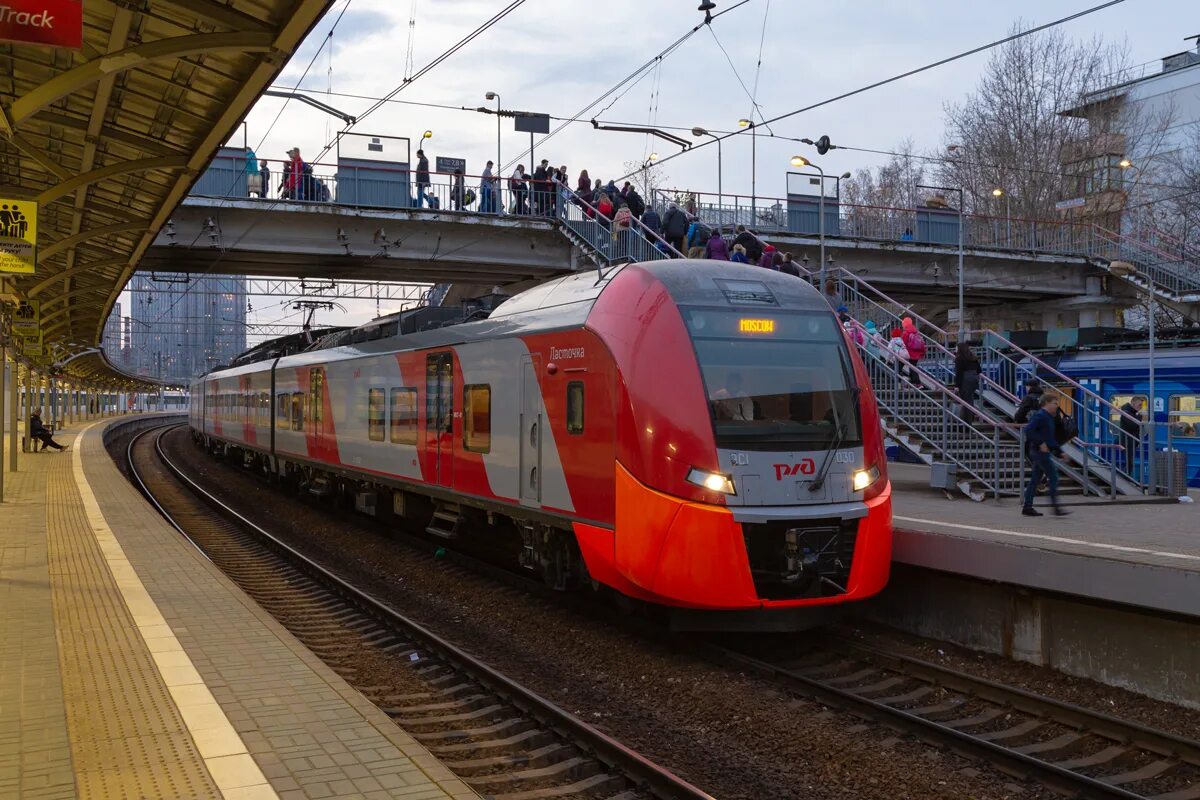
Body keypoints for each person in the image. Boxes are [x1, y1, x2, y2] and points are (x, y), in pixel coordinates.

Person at [1022, 393, 1068, 517]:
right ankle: (1055, 507)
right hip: (1040, 452)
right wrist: (1040, 442)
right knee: (1054, 477)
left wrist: (1059, 451)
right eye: (1055, 403)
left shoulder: (1048, 417)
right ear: (1047, 403)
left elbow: (1049, 438)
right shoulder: (1040, 416)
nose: (1056, 406)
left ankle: (1027, 506)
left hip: (1041, 451)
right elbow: (1029, 430)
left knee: (1035, 480)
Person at [954, 342, 982, 421]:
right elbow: (979, 370)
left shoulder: (959, 359)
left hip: (965, 379)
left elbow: (959, 373)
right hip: (974, 378)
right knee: (970, 399)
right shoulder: (973, 357)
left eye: (956, 348)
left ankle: (967, 422)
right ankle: (970, 418)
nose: (955, 349)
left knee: (965, 401)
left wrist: (957, 386)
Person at [1119, 396, 1144, 475]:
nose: (1141, 407)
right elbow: (1133, 425)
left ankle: (1127, 476)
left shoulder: (1131, 412)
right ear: (1133, 403)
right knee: (1128, 460)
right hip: (1127, 440)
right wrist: (1140, 417)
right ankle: (1126, 476)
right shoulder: (1126, 412)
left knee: (1130, 460)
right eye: (1139, 405)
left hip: (1131, 440)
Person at [901, 317, 925, 384]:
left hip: (910, 353)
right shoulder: (915, 331)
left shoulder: (906, 332)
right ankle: (913, 382)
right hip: (917, 352)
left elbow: (903, 343)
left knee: (912, 368)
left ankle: (917, 383)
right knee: (913, 366)